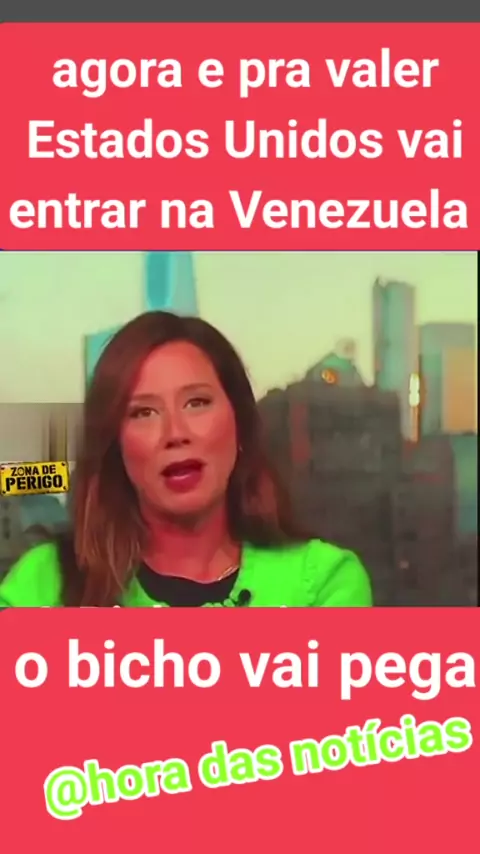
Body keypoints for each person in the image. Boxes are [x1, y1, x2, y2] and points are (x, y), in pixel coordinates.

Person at [0, 311, 372, 608]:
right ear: (115, 446)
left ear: (239, 423)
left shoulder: (322, 583)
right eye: (143, 412)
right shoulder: (43, 586)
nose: (175, 433)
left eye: (197, 403)